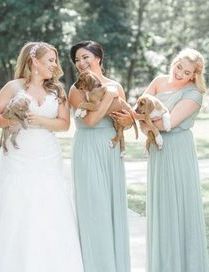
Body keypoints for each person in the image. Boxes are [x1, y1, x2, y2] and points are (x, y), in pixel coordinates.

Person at [0, 42, 83, 272]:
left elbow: (64, 124)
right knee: (18, 207)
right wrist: (14, 119)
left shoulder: (57, 90)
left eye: (55, 60)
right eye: (50, 60)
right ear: (34, 61)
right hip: (17, 155)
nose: (55, 65)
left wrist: (38, 120)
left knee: (50, 205)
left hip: (47, 155)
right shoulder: (13, 87)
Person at [136, 49, 209, 272]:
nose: (180, 73)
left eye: (187, 72)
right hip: (158, 152)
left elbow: (169, 124)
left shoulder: (194, 93)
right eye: (179, 67)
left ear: (194, 75)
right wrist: (144, 120)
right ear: (174, 62)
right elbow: (137, 112)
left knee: (181, 204)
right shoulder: (159, 81)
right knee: (162, 206)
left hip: (179, 150)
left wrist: (146, 121)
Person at [69, 40, 132, 272]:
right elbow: (91, 120)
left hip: (110, 150)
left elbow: (125, 119)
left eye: (85, 57)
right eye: (77, 60)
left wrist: (127, 121)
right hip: (87, 148)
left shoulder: (116, 85)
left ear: (98, 57)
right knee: (93, 208)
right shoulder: (76, 90)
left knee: (113, 206)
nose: (81, 63)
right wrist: (109, 98)